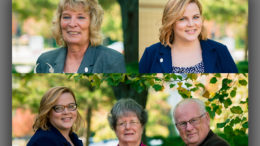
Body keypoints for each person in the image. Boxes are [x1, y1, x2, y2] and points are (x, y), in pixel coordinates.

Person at [139, 0, 238, 73]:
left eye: (195, 17)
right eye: (182, 19)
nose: (191, 24)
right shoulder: (151, 54)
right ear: (171, 22)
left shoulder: (220, 51)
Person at [35, 0, 126, 73]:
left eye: (81, 17)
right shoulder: (45, 61)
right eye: (66, 17)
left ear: (92, 23)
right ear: (59, 22)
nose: (72, 24)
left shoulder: (113, 61)